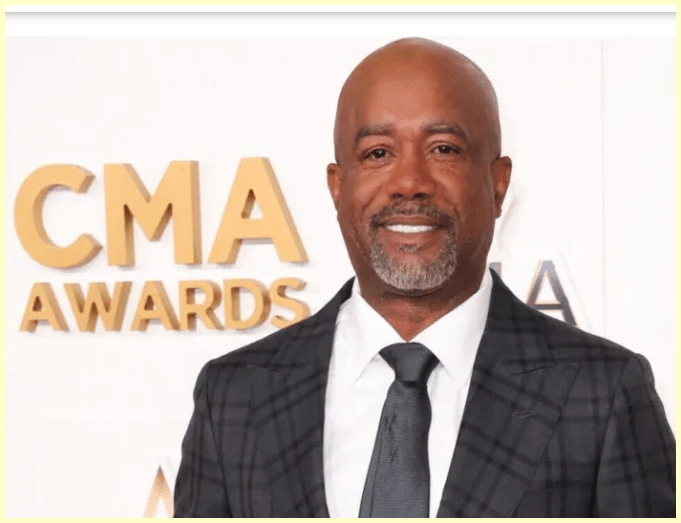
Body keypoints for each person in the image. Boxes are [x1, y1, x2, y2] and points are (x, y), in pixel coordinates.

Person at [173, 38, 675, 518]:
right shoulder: (234, 395)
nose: (410, 182)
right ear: (338, 187)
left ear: (498, 184)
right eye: (378, 153)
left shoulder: (602, 393)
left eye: (443, 149)